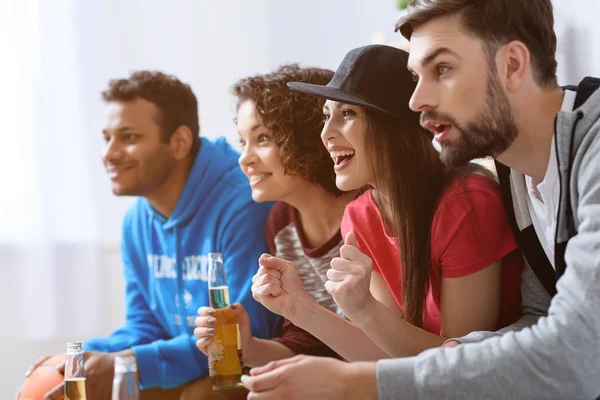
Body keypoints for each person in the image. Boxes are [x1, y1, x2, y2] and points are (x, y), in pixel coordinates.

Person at [241, 1, 600, 399]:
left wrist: (356, 384)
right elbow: (539, 320)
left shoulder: (590, 150)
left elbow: (576, 349)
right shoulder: (519, 170)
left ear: (513, 65)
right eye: (416, 76)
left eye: (442, 69)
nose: (415, 101)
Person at [248, 43, 523, 367]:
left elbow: (459, 368)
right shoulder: (359, 216)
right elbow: (384, 355)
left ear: (393, 127)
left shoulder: (466, 203)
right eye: (326, 116)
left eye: (347, 114)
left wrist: (364, 309)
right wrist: (298, 308)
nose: (326, 134)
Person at [36, 71, 280, 400]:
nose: (109, 153)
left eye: (129, 137)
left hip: (246, 367)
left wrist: (129, 363)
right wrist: (79, 358)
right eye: (106, 137)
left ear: (179, 142)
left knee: (200, 396)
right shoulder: (136, 222)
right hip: (189, 362)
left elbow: (240, 338)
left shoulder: (243, 204)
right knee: (66, 386)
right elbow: (144, 327)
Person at [194, 65, 356, 366]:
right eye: (243, 142)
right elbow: (307, 342)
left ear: (308, 136)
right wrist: (247, 347)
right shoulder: (281, 223)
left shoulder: (370, 214)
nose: (245, 158)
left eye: (263, 138)